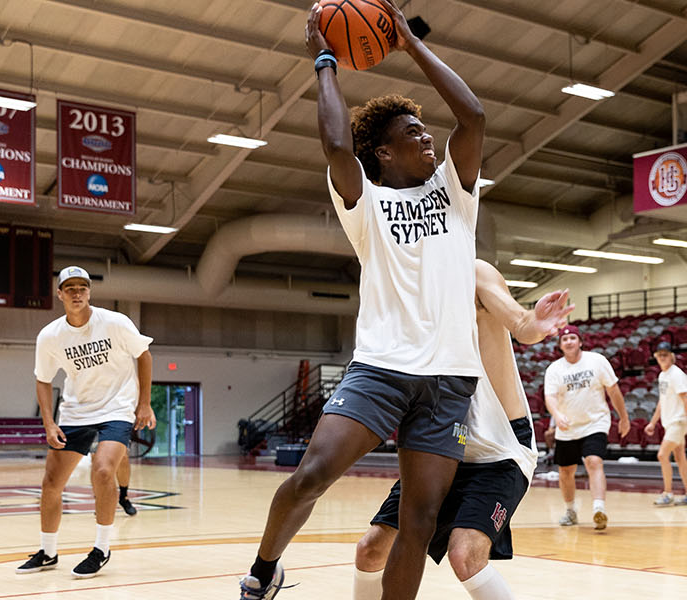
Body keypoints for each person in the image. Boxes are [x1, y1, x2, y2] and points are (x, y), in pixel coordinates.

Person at [239, 1, 488, 597]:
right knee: (312, 474)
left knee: (419, 520)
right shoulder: (367, 205)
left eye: (426, 130)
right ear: (382, 152)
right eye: (412, 134)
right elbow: (334, 146)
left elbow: (473, 117)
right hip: (381, 367)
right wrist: (325, 60)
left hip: (449, 378)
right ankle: (266, 569)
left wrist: (409, 44)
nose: (427, 138)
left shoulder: (456, 192)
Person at [351, 260, 571, 600]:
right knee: (370, 550)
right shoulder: (407, 287)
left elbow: (521, 322)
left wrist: (534, 323)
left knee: (465, 555)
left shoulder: (474, 272)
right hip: (441, 446)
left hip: (499, 447)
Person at [17, 265, 155, 579]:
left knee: (104, 469)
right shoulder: (50, 335)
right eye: (70, 288)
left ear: (89, 291)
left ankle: (101, 548)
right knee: (52, 483)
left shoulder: (115, 322)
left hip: (117, 408)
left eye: (82, 287)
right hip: (76, 411)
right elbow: (43, 379)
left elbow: (143, 354)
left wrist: (144, 403)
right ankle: (48, 552)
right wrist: (49, 423)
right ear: (60, 294)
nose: (76, 293)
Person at [543, 325, 630, 530]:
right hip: (567, 427)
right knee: (566, 471)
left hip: (595, 422)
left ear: (580, 341)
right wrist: (557, 415)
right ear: (560, 345)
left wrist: (624, 418)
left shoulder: (597, 361)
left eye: (573, 338)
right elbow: (550, 398)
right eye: (565, 339)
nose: (569, 342)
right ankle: (570, 510)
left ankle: (599, 508)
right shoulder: (554, 369)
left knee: (593, 461)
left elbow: (614, 390)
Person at [645, 342, 687, 506]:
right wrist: (653, 422)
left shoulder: (677, 375)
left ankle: (667, 494)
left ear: (671, 356)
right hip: (669, 422)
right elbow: (662, 401)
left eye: (665, 355)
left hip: (678, 421)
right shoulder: (662, 375)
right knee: (680, 457)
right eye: (659, 355)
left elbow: (686, 400)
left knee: (662, 455)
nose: (662, 358)